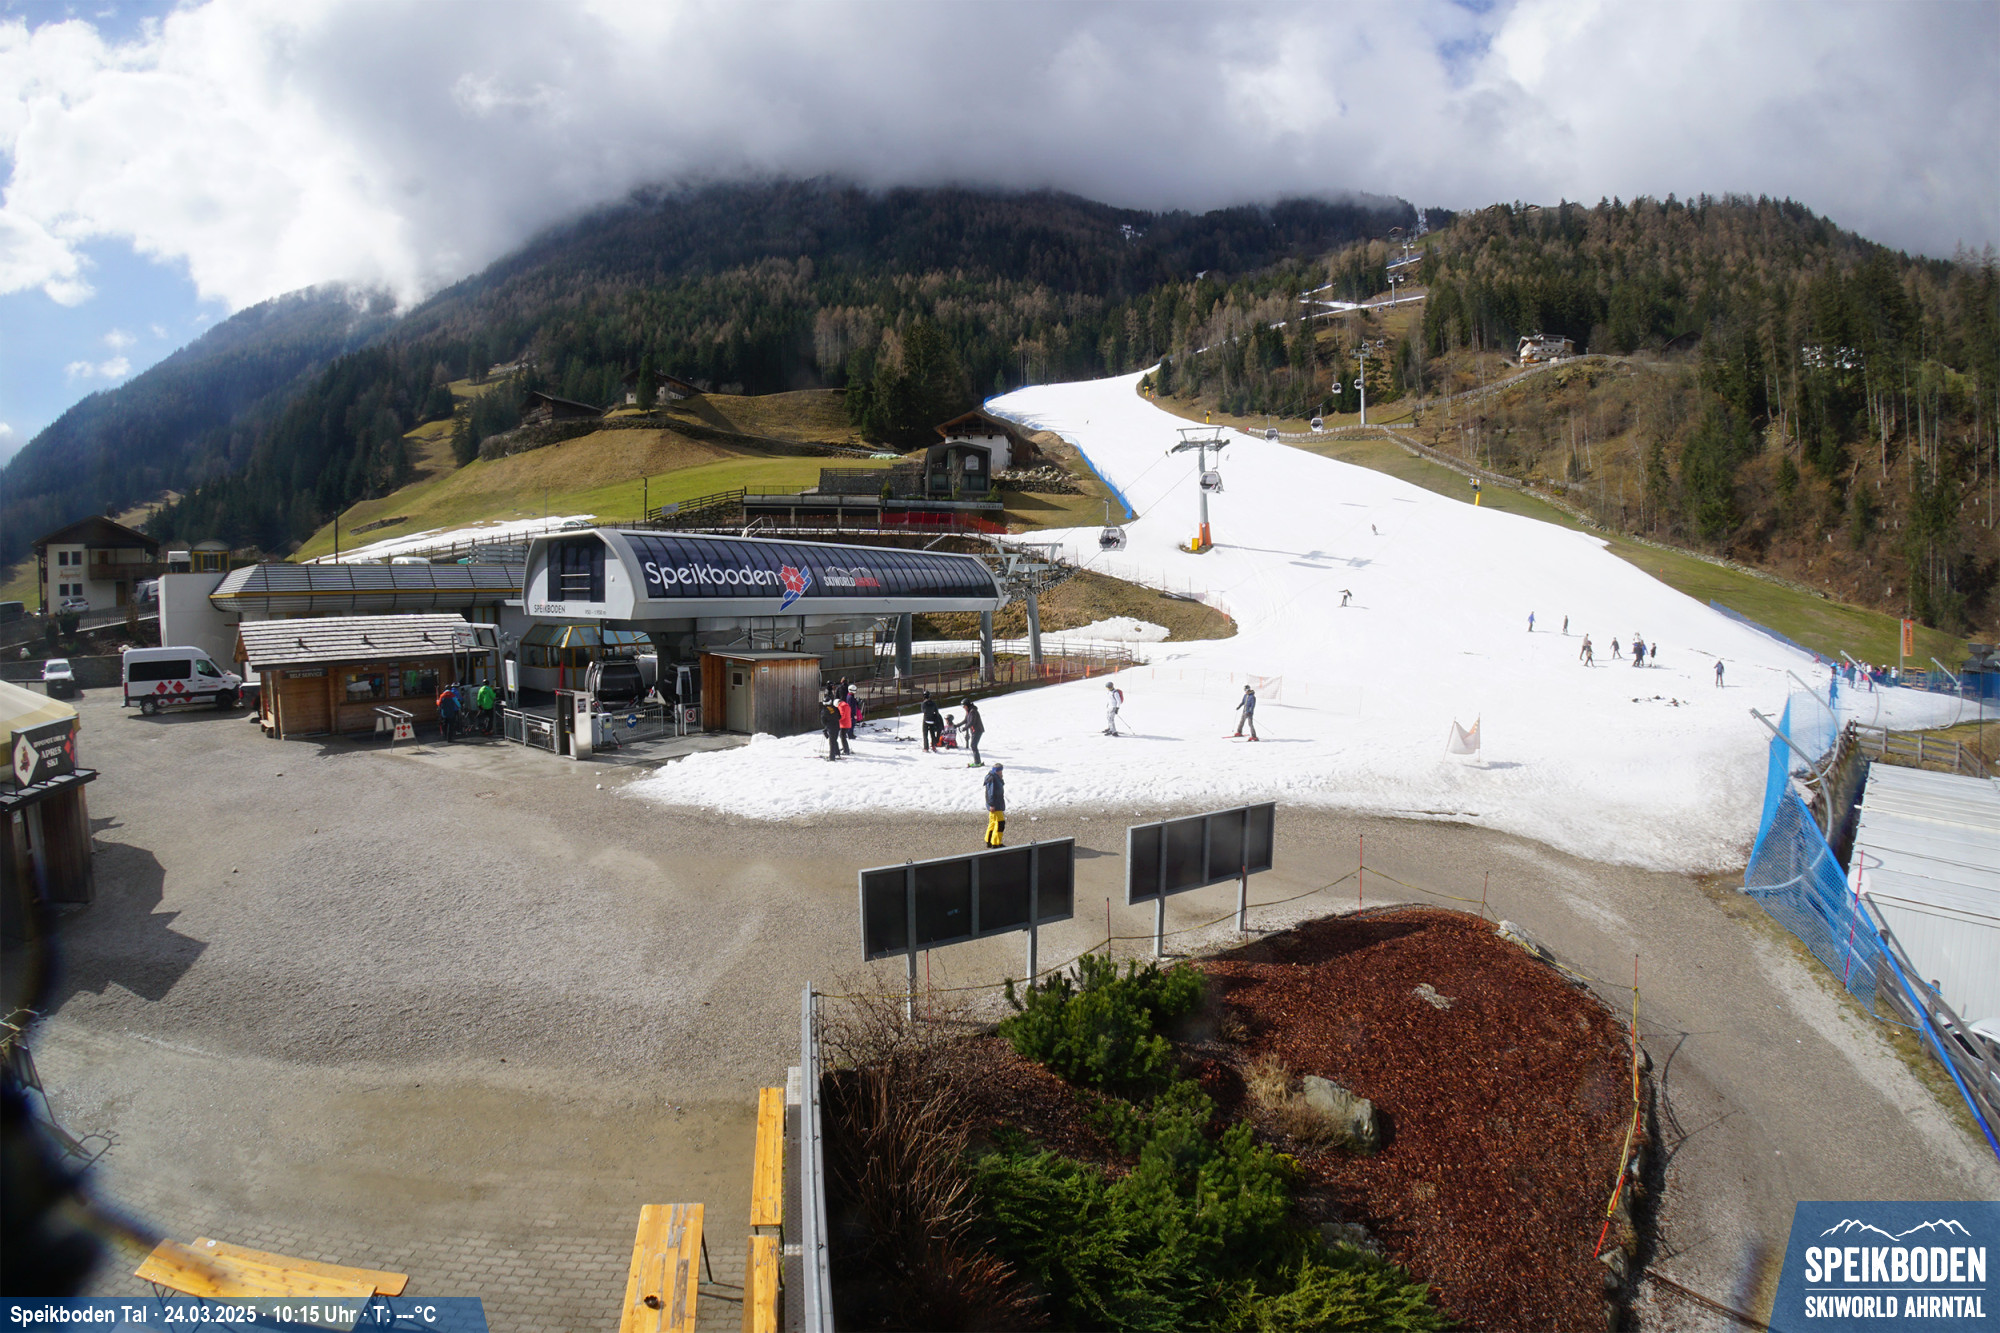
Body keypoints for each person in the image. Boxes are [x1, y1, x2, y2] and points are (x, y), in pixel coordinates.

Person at [983, 763, 1006, 847]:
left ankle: (989, 841)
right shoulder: (993, 778)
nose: (1001, 772)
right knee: (1000, 823)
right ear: (997, 771)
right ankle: (996, 842)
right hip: (996, 805)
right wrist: (992, 805)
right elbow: (991, 793)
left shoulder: (993, 777)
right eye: (1000, 770)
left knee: (992, 823)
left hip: (995, 804)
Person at [962, 697, 985, 766]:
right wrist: (957, 725)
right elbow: (965, 720)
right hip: (973, 731)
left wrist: (964, 728)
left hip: (978, 730)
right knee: (973, 745)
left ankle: (977, 762)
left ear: (967, 705)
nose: (963, 707)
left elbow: (972, 722)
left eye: (964, 706)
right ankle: (977, 761)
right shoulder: (968, 711)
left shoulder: (973, 711)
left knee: (973, 745)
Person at [822, 693, 843, 760]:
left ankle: (832, 757)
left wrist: (826, 726)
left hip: (830, 727)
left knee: (832, 742)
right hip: (837, 726)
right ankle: (837, 753)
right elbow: (839, 716)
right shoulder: (835, 708)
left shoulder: (824, 711)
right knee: (834, 740)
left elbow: (823, 721)